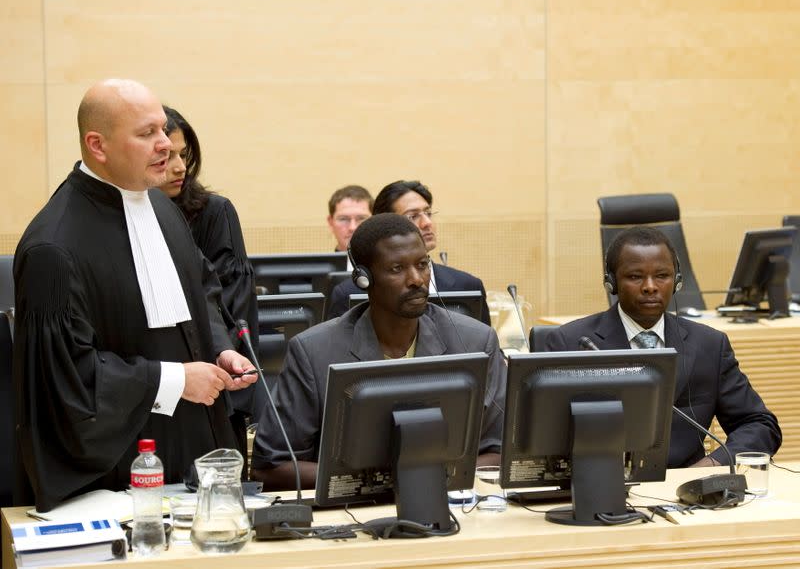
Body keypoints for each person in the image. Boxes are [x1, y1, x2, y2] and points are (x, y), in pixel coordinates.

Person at [13, 79, 257, 512]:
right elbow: (66, 379)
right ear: (98, 145)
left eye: (163, 130)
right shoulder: (54, 248)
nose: (165, 145)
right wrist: (176, 380)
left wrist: (218, 348)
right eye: (147, 134)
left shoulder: (161, 207)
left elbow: (202, 289)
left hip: (196, 445)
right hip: (119, 469)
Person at [251, 213, 506, 490]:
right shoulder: (313, 351)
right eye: (397, 269)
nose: (416, 280)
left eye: (422, 265)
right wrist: (385, 481)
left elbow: (500, 450)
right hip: (351, 513)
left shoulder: (476, 341)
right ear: (363, 279)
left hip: (450, 508)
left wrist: (423, 476)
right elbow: (271, 467)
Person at [546, 226, 782, 468]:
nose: (650, 286)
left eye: (662, 275)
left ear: (677, 281)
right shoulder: (571, 342)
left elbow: (759, 424)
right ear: (611, 283)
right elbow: (546, 434)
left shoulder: (709, 345)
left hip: (686, 491)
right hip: (603, 488)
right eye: (635, 277)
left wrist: (713, 464)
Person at [157, 105, 259, 470]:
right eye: (166, 156)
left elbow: (229, 305)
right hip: (158, 391)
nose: (180, 167)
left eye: (184, 154)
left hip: (215, 386)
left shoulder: (213, 212)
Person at [326, 180, 491, 324]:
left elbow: (488, 354)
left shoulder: (468, 285)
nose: (427, 223)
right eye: (413, 216)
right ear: (385, 224)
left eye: (428, 213)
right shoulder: (348, 293)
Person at [327, 185, 373, 256]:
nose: (352, 227)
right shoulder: (315, 266)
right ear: (331, 223)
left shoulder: (390, 266)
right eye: (343, 219)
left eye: (361, 218)